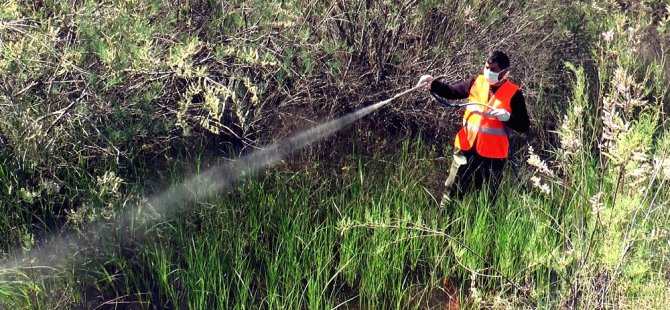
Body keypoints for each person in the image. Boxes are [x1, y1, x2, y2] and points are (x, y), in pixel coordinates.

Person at [417, 51, 530, 207]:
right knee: (452, 195)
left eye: (494, 69)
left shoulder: (514, 93)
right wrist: (432, 83)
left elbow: (524, 125)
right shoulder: (476, 82)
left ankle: (480, 229)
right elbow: (452, 92)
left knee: (487, 202)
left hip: (493, 157)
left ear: (505, 72)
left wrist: (508, 118)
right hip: (466, 149)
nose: (488, 71)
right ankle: (445, 227)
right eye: (486, 67)